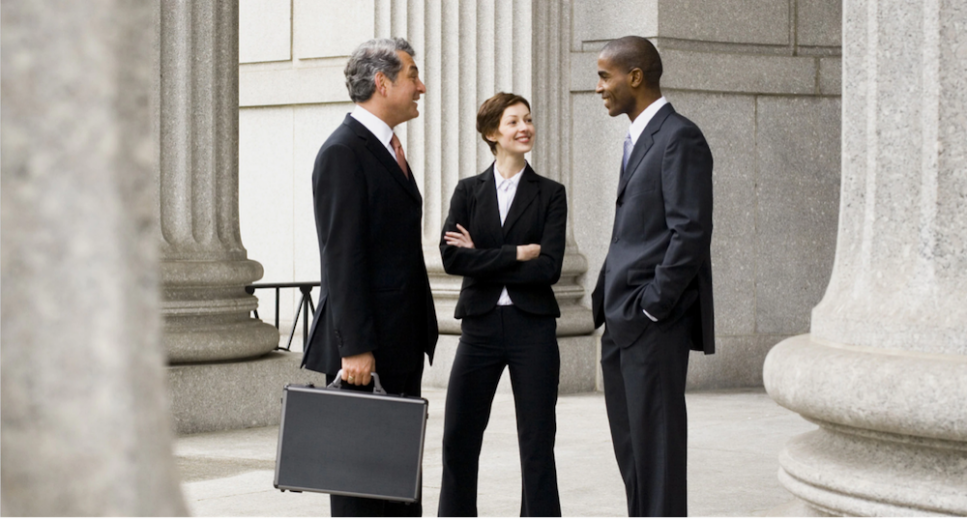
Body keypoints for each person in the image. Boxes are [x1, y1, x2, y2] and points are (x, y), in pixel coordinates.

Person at [301, 37, 438, 519]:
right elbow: (342, 256)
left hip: (399, 342)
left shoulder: (386, 148)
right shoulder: (343, 151)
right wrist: (355, 346)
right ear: (383, 82)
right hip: (366, 350)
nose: (421, 86)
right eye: (413, 75)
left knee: (398, 486)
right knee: (362, 492)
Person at [590, 36, 715, 519]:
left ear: (635, 76)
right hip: (622, 322)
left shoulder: (680, 136)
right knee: (634, 456)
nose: (599, 87)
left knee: (657, 456)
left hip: (652, 323)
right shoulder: (638, 138)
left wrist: (652, 305)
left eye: (605, 76)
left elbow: (691, 232)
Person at [437, 92, 567, 519]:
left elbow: (548, 267)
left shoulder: (550, 194)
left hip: (533, 329)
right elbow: (453, 258)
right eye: (513, 122)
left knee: (536, 442)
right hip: (480, 328)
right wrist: (514, 254)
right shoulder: (467, 191)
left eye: (527, 119)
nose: (524, 127)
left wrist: (484, 255)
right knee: (458, 436)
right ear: (493, 133)